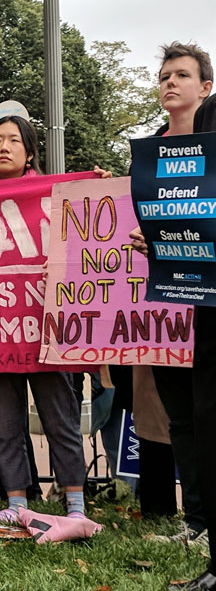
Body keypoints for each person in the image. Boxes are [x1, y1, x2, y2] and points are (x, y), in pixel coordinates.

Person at [0, 114, 101, 531]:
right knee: (5, 420)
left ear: (30, 152)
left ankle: (74, 503)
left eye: (14, 140)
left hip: (48, 326)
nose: (4, 147)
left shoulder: (60, 196)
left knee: (60, 418)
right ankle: (16, 500)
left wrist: (99, 186)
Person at [131, 43, 216, 591]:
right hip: (169, 304)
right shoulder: (149, 155)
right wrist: (152, 241)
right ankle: (198, 521)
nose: (170, 83)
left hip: (209, 302)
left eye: (182, 75)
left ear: (205, 87)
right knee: (183, 416)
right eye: (164, 76)